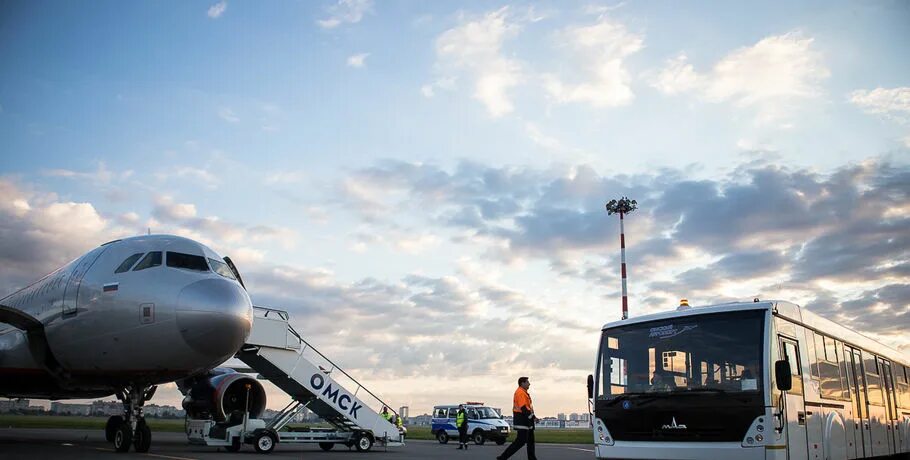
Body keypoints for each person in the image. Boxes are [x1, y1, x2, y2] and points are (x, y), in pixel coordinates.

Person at [497, 377, 537, 460]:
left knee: (530, 441)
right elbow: (523, 408)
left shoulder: (524, 393)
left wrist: (533, 417)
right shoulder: (520, 392)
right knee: (520, 441)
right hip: (522, 420)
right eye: (527, 382)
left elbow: (528, 408)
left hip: (527, 420)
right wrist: (531, 417)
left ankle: (532, 458)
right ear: (522, 383)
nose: (529, 384)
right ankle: (503, 457)